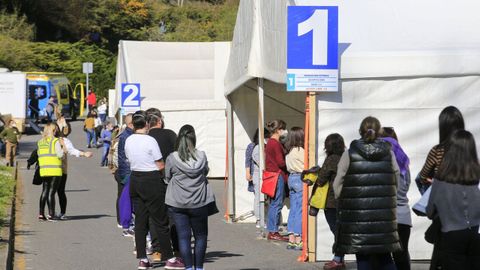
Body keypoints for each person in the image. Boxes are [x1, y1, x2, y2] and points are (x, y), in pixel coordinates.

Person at [333, 116, 401, 270]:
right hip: (383, 213)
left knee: (362, 256)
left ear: (360, 131)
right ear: (379, 132)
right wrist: (390, 196)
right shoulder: (388, 152)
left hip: (357, 215)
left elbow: (338, 181)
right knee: (385, 256)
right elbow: (396, 175)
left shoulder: (350, 153)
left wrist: (342, 199)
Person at [125, 110, 176, 270]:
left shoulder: (129, 140)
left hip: (135, 178)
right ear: (146, 123)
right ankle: (169, 257)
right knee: (160, 220)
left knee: (140, 220)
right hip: (151, 179)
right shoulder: (150, 140)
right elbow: (160, 164)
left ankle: (142, 258)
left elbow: (128, 159)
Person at [418, 106, 465, 270]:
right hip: (466, 209)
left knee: (441, 254)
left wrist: (434, 184)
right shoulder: (468, 151)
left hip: (443, 211)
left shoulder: (437, 151)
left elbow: (422, 177)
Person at [427, 130, 480, 270]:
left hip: (451, 233)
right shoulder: (476, 176)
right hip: (476, 232)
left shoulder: (440, 179)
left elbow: (429, 211)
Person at [165, 124, 215, 270]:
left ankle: (188, 267)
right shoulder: (202, 155)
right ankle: (199, 267)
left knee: (183, 237)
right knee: (200, 236)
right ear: (194, 138)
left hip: (178, 203)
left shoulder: (172, 158)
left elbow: (167, 177)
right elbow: (205, 172)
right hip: (199, 202)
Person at [145, 108, 183, 267]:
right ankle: (177, 250)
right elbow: (179, 156)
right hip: (171, 181)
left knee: (154, 217)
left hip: (150, 181)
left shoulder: (144, 138)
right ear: (159, 121)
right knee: (173, 215)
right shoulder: (170, 134)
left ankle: (157, 250)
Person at [381, 127, 412, 270]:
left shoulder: (383, 161)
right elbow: (408, 184)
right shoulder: (404, 160)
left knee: (382, 257)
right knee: (402, 255)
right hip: (404, 216)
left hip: (385, 215)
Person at [314, 133, 346, 270]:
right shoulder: (346, 157)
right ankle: (339, 259)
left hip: (332, 201)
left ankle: (338, 260)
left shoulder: (332, 159)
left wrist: (316, 173)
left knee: (337, 231)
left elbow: (321, 179)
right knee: (341, 230)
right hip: (346, 199)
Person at [55, 117, 93, 219]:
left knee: (58, 191)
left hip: (59, 169)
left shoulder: (63, 140)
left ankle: (59, 213)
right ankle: (53, 213)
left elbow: (72, 151)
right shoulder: (52, 139)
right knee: (53, 192)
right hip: (53, 170)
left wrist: (84, 154)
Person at [265, 119, 289, 242]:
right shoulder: (275, 143)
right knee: (277, 204)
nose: (285, 131)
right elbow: (280, 162)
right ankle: (273, 231)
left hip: (271, 175)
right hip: (277, 175)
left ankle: (272, 229)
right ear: (278, 130)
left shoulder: (270, 142)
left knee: (273, 204)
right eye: (283, 129)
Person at [37, 123, 65, 220]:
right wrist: (63, 148)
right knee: (51, 193)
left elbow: (39, 154)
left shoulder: (40, 142)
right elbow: (60, 155)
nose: (57, 131)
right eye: (55, 129)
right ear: (53, 131)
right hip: (55, 170)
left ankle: (41, 214)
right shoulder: (55, 141)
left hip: (44, 170)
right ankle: (51, 214)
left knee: (44, 191)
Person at [284, 127, 305, 250]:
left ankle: (291, 239)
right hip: (300, 178)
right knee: (300, 210)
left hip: (291, 178)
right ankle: (299, 239)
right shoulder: (300, 150)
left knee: (293, 209)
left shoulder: (289, 151)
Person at [115, 114, 134, 230]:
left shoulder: (124, 135)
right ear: (131, 124)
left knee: (122, 196)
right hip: (126, 171)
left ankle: (122, 220)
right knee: (125, 197)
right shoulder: (128, 136)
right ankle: (124, 221)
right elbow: (125, 157)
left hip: (122, 170)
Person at [251, 128, 270, 227]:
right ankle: (259, 219)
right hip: (258, 175)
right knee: (259, 198)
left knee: (264, 199)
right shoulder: (257, 148)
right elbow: (261, 163)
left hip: (264, 176)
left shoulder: (263, 147)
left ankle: (264, 218)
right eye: (266, 136)